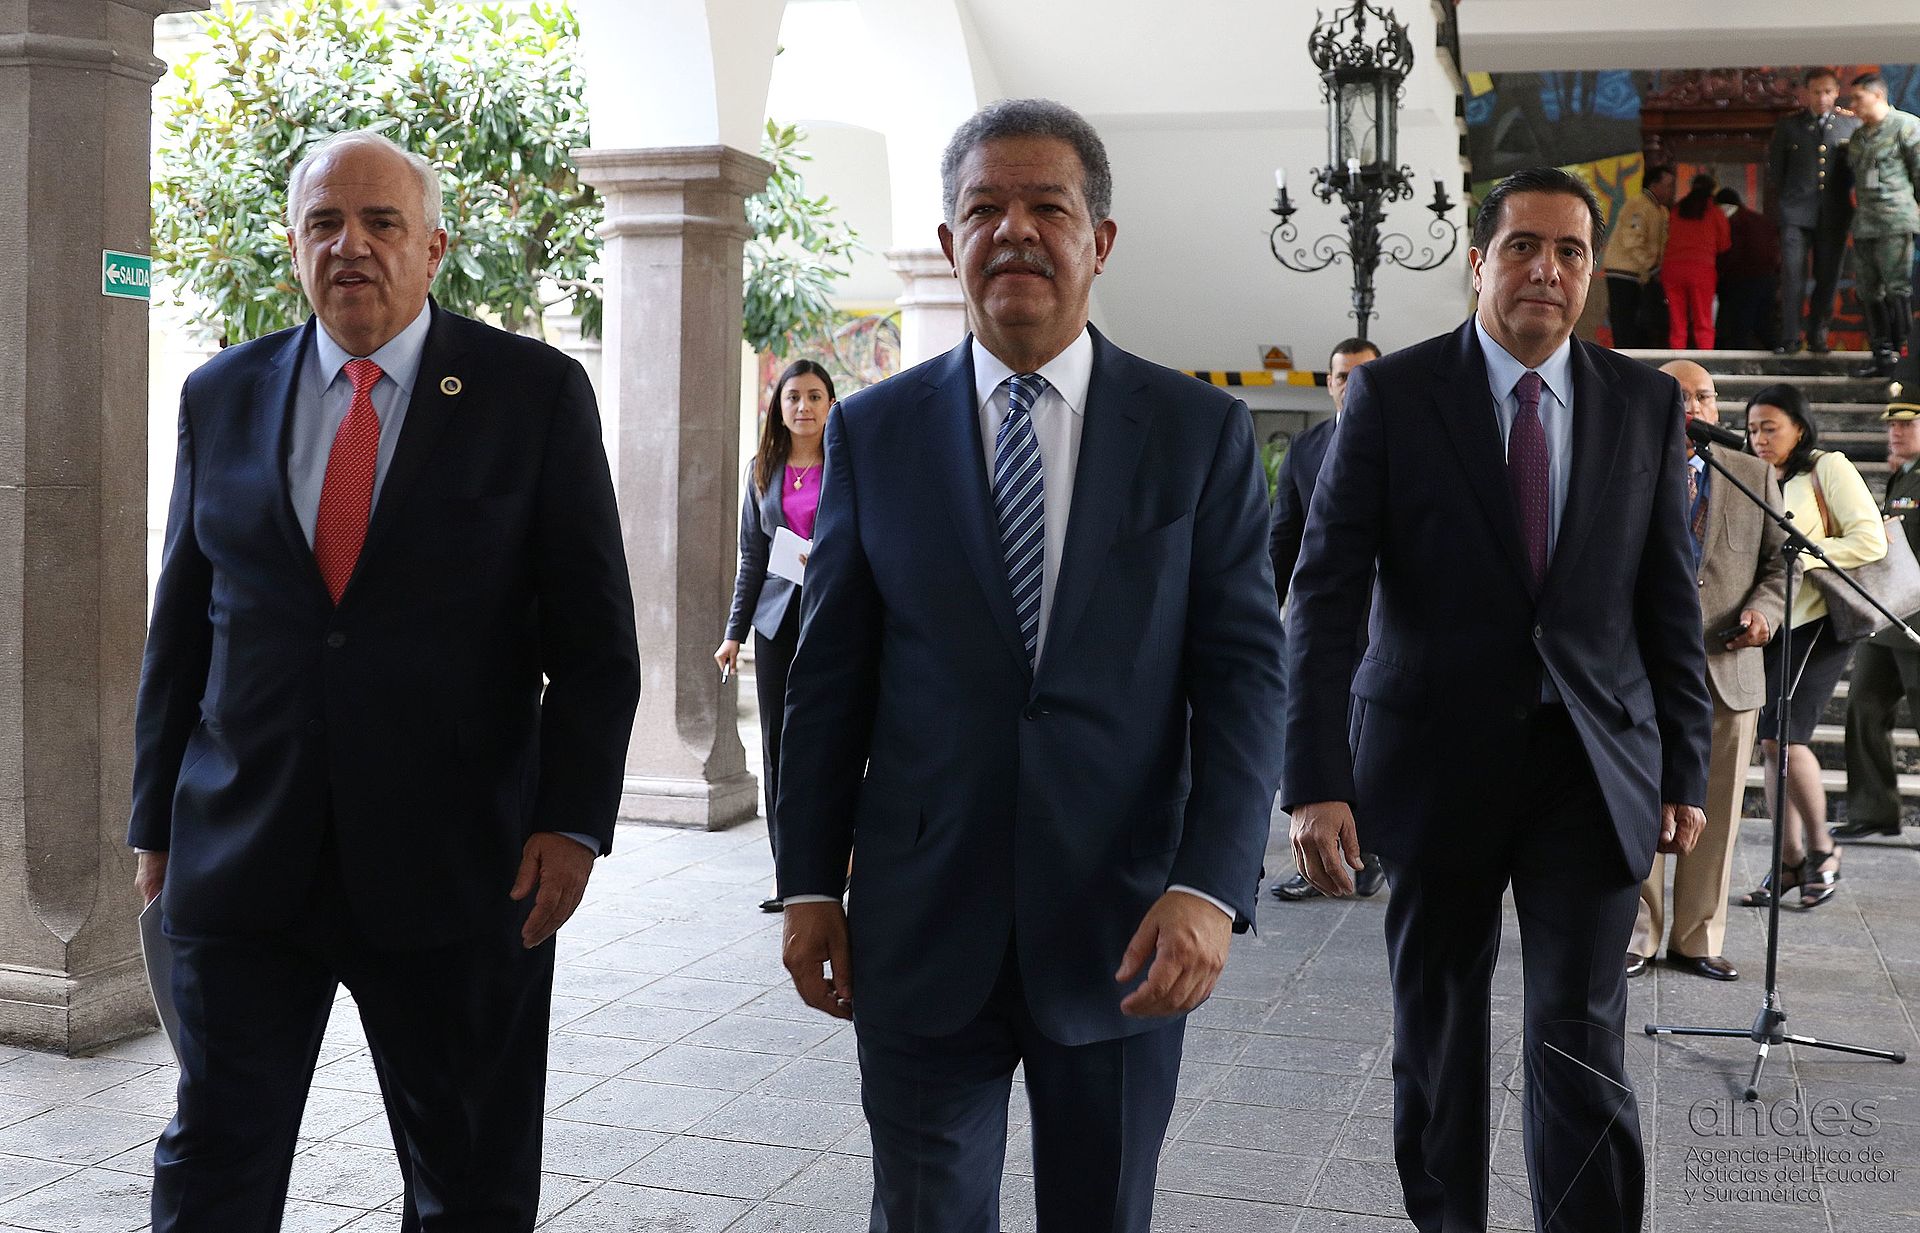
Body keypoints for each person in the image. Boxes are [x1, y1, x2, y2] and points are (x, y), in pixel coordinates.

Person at [773, 98, 1285, 1232]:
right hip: (917, 923)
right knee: (923, 1212)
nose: (1012, 231)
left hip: (1126, 926)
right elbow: (830, 680)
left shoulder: (1196, 433)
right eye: (982, 209)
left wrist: (1211, 888)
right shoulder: (877, 431)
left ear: (1099, 240)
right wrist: (809, 881)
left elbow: (1245, 677)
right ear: (950, 244)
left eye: (1045, 206)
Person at [128, 130, 642, 1231]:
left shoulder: (532, 394)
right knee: (213, 1158)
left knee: (469, 1173)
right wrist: (154, 822)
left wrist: (572, 821)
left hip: (461, 865)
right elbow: (183, 624)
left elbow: (596, 641)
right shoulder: (222, 394)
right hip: (244, 854)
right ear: (294, 245)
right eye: (324, 223)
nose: (349, 246)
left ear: (434, 247)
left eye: (380, 223)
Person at [1283, 167, 1712, 1233]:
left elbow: (1667, 597)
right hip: (1433, 760)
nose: (1547, 270)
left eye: (1570, 252)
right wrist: (1315, 781)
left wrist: (1685, 766)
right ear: (1478, 261)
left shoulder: (1644, 403)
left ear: (1590, 277)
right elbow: (1324, 595)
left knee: (1582, 1033)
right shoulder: (1394, 395)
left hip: (1591, 765)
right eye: (1523, 246)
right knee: (1437, 1036)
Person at [1629, 361, 1786, 983]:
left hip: (1727, 664)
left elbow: (1780, 564)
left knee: (1714, 806)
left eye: (1705, 396)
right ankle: (1638, 932)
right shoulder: (1625, 467)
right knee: (1639, 799)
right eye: (1678, 396)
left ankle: (1698, 937)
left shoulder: (1752, 475)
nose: (1694, 406)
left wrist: (1765, 612)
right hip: (1638, 669)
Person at [1738, 383, 1887, 908]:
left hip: (1819, 619)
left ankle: (1822, 852)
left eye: (1770, 427)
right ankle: (1789, 859)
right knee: (1772, 742)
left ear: (1799, 427)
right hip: (1773, 623)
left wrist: (1807, 554)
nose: (1759, 438)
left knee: (1786, 738)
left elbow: (1871, 538)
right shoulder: (1752, 473)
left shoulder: (1828, 466)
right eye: (1753, 428)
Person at [1268, 336, 1387, 901]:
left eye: (1363, 376)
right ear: (1332, 383)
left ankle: (1369, 852)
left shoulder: (1407, 443)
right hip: (1324, 630)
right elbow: (1283, 541)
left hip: (1386, 627)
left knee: (1373, 739)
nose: (1350, 386)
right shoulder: (1306, 449)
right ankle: (1319, 857)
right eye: (1342, 377)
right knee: (1321, 730)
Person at [717, 359, 836, 912]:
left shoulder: (847, 463)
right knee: (777, 743)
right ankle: (785, 872)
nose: (804, 407)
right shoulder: (762, 468)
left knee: (831, 741)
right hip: (776, 622)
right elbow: (753, 556)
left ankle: (836, 865)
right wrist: (734, 632)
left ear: (831, 404)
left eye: (815, 396)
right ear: (779, 407)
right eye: (793, 397)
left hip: (834, 616)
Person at [1839, 351, 1920, 839]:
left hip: (1918, 619)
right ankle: (1873, 810)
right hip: (1889, 615)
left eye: (1907, 425)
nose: (1896, 432)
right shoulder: (1902, 474)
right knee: (1864, 708)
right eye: (1892, 425)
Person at [1768, 68, 1861, 355]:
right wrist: (1788, 202)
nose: (1822, 98)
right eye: (1816, 91)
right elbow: (1777, 171)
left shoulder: (1850, 126)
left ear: (1836, 93)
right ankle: (1790, 337)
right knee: (1793, 274)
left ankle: (1818, 335)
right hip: (1796, 211)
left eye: (1828, 91)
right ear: (1806, 93)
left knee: (1828, 275)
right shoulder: (1789, 126)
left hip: (1834, 213)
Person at [1846, 72, 1920, 377]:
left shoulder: (1907, 126)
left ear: (1878, 95)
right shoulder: (1858, 136)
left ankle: (1906, 357)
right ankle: (1881, 355)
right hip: (1864, 224)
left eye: (1857, 98)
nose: (1852, 105)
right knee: (1868, 291)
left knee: (1897, 289)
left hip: (1895, 221)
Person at [1603, 163, 1675, 349]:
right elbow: (1632, 238)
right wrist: (1651, 266)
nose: (1670, 190)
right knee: (1625, 321)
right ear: (1653, 185)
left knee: (1640, 324)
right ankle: (1624, 360)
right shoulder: (1638, 204)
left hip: (1641, 272)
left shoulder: (1660, 210)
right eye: (1667, 185)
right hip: (1624, 270)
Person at [1663, 173, 1731, 350]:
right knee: (1703, 320)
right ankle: (1704, 364)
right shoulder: (1715, 212)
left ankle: (1676, 362)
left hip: (1672, 269)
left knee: (1677, 323)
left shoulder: (1677, 210)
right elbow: (1724, 244)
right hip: (1701, 270)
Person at [1713, 187, 1781, 351]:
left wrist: (1720, 275)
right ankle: (1778, 353)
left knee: (1740, 324)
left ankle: (1739, 362)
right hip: (1768, 277)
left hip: (1742, 278)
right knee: (1763, 322)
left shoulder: (1732, 221)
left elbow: (1729, 252)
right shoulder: (1761, 220)